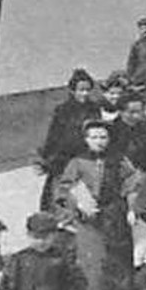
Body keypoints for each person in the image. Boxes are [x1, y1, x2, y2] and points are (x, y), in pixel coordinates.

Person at [54, 119, 139, 290]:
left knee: (118, 266)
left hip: (115, 219)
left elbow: (132, 184)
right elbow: (64, 189)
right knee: (94, 270)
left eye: (103, 137)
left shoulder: (120, 160)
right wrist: (78, 203)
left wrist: (132, 208)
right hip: (89, 223)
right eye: (94, 137)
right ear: (86, 139)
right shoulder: (77, 162)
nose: (99, 142)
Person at [37, 69, 98, 212]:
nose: (85, 94)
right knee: (57, 197)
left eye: (88, 90)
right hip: (63, 160)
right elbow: (54, 135)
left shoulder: (94, 109)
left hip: (85, 158)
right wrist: (47, 158)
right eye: (81, 90)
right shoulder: (63, 110)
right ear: (72, 90)